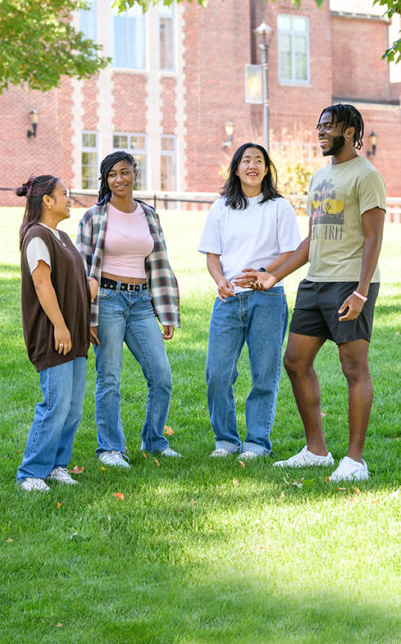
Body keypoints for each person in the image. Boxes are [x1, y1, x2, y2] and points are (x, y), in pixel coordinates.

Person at [247, 104, 386, 482]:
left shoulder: (366, 175)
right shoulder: (320, 176)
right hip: (315, 282)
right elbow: (313, 237)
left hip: (349, 284)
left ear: (351, 129)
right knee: (294, 361)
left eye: (328, 126)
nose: (320, 131)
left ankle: (355, 461)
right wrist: (274, 275)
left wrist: (360, 293)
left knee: (353, 369)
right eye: (319, 124)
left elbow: (374, 237)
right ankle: (316, 451)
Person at [76, 150, 181, 468]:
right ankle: (110, 448)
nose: (119, 179)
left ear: (135, 173)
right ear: (105, 180)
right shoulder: (93, 217)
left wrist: (165, 310)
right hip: (106, 300)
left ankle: (154, 441)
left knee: (161, 376)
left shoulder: (148, 214)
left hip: (141, 302)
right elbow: (81, 269)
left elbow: (160, 264)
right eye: (112, 174)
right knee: (109, 377)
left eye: (124, 172)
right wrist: (87, 316)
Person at [199, 143, 301, 459]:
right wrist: (221, 282)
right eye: (246, 160)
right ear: (237, 168)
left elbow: (290, 252)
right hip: (229, 301)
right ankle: (226, 441)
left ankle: (257, 442)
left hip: (267, 298)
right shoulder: (221, 208)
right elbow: (212, 256)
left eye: (259, 160)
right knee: (217, 374)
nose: (253, 165)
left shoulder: (279, 207)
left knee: (264, 374)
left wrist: (262, 273)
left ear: (267, 169)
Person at [15, 174, 92, 492]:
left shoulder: (61, 237)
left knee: (73, 407)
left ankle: (57, 465)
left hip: (75, 335)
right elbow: (42, 283)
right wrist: (60, 326)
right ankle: (31, 472)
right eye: (64, 193)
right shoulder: (37, 236)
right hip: (54, 335)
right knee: (56, 404)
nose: (69, 198)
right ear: (47, 200)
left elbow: (73, 284)